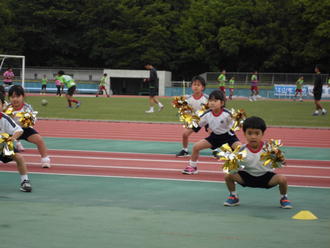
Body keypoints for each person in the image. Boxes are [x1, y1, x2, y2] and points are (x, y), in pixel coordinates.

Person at [223, 116, 292, 209]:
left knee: (282, 179)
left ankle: (284, 198)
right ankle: (233, 196)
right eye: (250, 133)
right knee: (228, 175)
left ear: (262, 134)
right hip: (247, 177)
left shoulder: (269, 149)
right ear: (244, 133)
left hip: (266, 178)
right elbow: (234, 166)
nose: (253, 136)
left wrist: (281, 159)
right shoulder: (241, 150)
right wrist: (231, 162)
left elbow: (281, 163)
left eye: (257, 133)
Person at [182, 90, 241, 175]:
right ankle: (192, 167)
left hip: (228, 137)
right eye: (210, 101)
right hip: (214, 137)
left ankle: (242, 170)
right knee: (196, 147)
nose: (212, 103)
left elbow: (237, 123)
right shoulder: (207, 114)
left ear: (222, 103)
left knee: (240, 149)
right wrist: (189, 130)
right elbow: (198, 125)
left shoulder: (227, 114)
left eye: (215, 101)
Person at [6, 85, 51, 168]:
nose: (15, 99)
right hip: (10, 130)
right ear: (9, 98)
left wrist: (24, 120)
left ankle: (45, 159)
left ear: (23, 97)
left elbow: (30, 122)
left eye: (18, 96)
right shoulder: (7, 107)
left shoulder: (27, 108)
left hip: (24, 129)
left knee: (39, 140)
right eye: (12, 97)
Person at [0, 93, 32, 192]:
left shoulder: (4, 118)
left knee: (19, 157)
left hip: (3, 145)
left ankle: (25, 181)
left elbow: (19, 130)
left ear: (2, 105)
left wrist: (12, 139)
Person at [176, 76, 208, 157]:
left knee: (214, 133)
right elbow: (186, 111)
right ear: (191, 86)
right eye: (194, 84)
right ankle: (185, 150)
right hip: (195, 120)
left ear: (203, 87)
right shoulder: (188, 99)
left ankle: (215, 150)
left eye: (198, 85)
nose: (196, 86)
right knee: (185, 134)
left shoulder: (207, 98)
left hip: (207, 119)